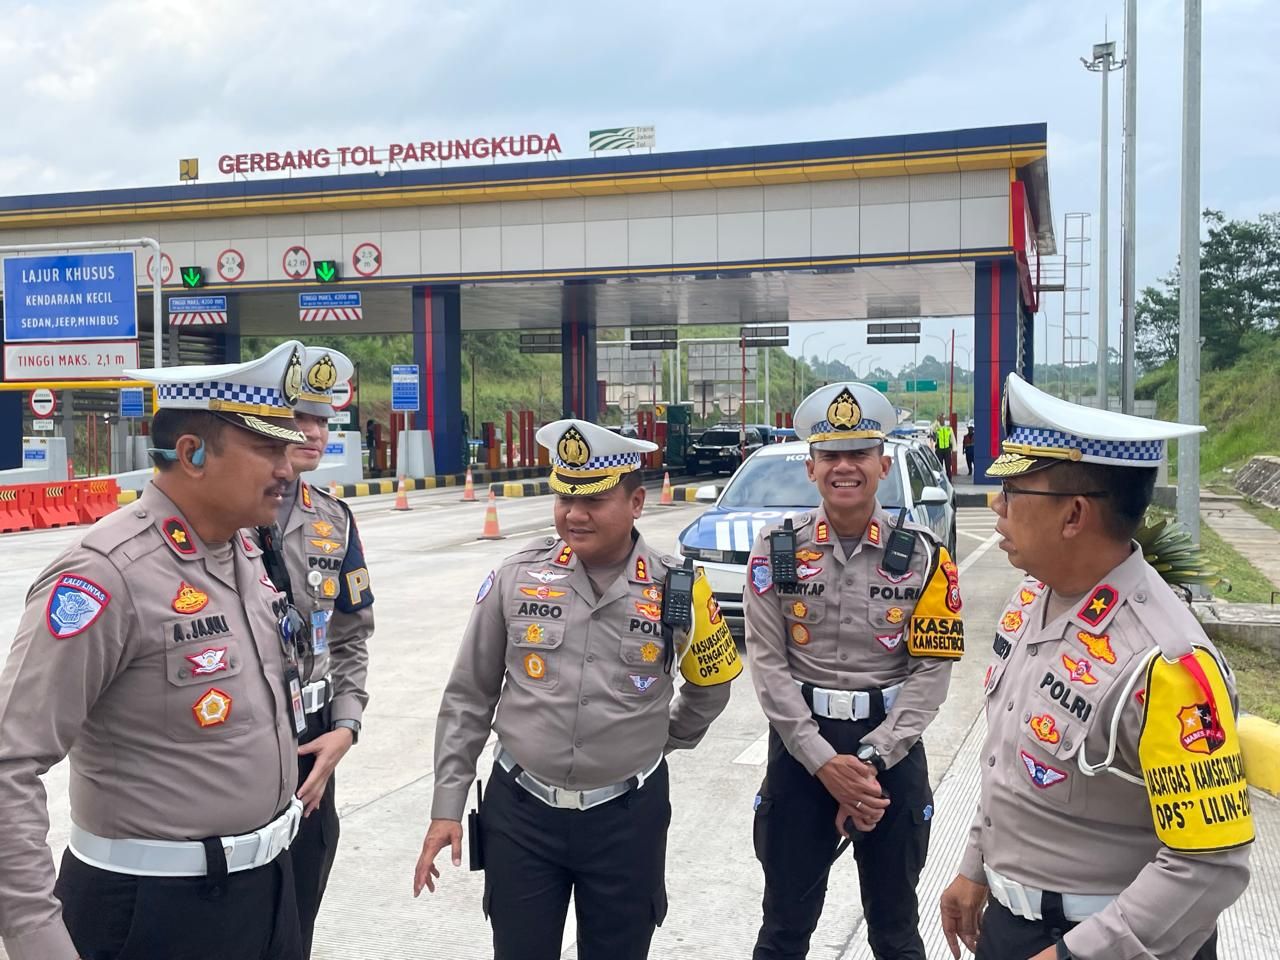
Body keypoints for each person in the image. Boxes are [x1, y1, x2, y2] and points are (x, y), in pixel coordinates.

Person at [0, 341, 313, 960]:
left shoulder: (246, 554)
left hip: (266, 894)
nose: (289, 467)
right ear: (193, 454)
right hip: (153, 912)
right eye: (268, 448)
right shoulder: (105, 575)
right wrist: (39, 941)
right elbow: (10, 762)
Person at [939, 373, 1253, 960]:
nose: (995, 505)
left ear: (1075, 514)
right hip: (1012, 927)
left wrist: (1077, 955)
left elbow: (1210, 864)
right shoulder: (1034, 599)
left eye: (1014, 491)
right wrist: (975, 865)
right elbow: (1008, 759)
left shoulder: (1167, 661)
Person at [414, 418, 741, 960]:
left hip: (626, 819)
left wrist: (658, 740)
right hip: (521, 814)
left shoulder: (679, 586)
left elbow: (711, 688)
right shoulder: (516, 577)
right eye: (564, 496)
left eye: (593, 499)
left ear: (636, 502)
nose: (574, 513)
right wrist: (446, 806)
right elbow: (468, 696)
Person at [746, 382, 964, 960]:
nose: (845, 467)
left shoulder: (924, 557)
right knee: (783, 930)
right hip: (800, 754)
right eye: (831, 456)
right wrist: (824, 764)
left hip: (887, 758)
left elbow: (931, 674)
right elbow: (768, 665)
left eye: (860, 454)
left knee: (895, 932)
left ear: (883, 464)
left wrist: (867, 764)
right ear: (812, 468)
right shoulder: (777, 548)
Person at [259, 346, 374, 958]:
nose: (312, 432)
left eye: (324, 420)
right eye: (296, 417)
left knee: (299, 908)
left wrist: (347, 728)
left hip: (314, 736)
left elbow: (354, 634)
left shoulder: (335, 518)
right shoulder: (226, 515)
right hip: (243, 729)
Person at [933, 412, 954, 479]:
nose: (942, 420)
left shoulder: (948, 428)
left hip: (947, 450)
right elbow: (932, 429)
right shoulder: (937, 428)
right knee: (939, 467)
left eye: (943, 419)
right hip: (939, 450)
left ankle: (949, 480)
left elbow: (952, 439)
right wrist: (936, 421)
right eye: (941, 418)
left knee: (948, 467)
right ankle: (940, 480)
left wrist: (954, 449)